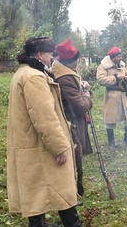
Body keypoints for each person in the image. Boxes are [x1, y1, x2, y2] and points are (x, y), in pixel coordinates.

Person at [7, 37, 82, 227]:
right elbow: (44, 116)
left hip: (31, 144)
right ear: (40, 54)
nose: (52, 58)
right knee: (61, 189)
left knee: (35, 193)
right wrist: (58, 147)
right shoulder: (34, 77)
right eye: (49, 54)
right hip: (40, 146)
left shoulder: (23, 73)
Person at [51, 39, 93, 199]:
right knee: (74, 159)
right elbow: (80, 106)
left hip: (72, 120)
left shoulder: (64, 73)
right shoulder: (65, 78)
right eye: (77, 59)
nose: (78, 62)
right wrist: (87, 94)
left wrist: (80, 86)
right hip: (71, 122)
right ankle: (72, 194)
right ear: (72, 60)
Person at [96, 46, 127, 146]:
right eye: (118, 56)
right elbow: (101, 79)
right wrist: (115, 78)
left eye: (121, 56)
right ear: (113, 57)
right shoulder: (103, 66)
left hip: (125, 94)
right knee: (110, 119)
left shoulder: (122, 65)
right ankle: (111, 142)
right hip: (112, 95)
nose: (121, 58)